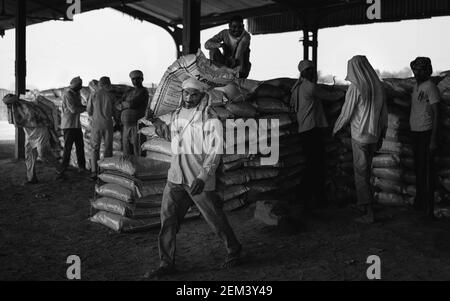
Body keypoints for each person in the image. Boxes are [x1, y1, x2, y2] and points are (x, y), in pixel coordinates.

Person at [144, 78, 241, 278]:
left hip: (197, 180)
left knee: (215, 218)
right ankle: (166, 263)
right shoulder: (177, 114)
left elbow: (216, 151)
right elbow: (172, 136)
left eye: (193, 94)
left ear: (202, 95)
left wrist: (203, 177)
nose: (189, 97)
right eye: (186, 93)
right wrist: (154, 121)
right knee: (168, 219)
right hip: (176, 178)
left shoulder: (210, 117)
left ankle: (235, 249)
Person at [333, 55, 388, 224]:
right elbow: (384, 114)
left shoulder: (356, 87)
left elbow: (347, 112)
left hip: (360, 136)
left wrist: (336, 128)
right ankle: (365, 205)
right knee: (368, 172)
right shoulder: (379, 86)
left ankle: (368, 213)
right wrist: (382, 134)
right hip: (374, 135)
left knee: (361, 175)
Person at [290, 60, 346, 209]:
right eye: (309, 70)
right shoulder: (310, 87)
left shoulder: (297, 88)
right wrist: (344, 92)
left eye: (312, 70)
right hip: (312, 130)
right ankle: (307, 196)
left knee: (312, 163)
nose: (312, 73)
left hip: (304, 130)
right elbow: (330, 97)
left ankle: (309, 196)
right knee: (316, 165)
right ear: (303, 73)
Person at [2, 94, 59, 184]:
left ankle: (60, 169)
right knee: (29, 154)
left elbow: (42, 117)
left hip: (40, 131)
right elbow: (19, 122)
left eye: (9, 104)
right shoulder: (14, 110)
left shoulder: (28, 106)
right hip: (29, 133)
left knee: (43, 153)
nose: (8, 107)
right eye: (7, 105)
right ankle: (31, 178)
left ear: (14, 102)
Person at [409, 57, 440, 219]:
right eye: (415, 69)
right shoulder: (415, 86)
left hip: (426, 133)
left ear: (428, 71)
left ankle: (429, 208)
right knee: (418, 170)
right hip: (415, 133)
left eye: (420, 70)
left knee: (427, 172)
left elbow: (437, 114)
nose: (416, 72)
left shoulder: (430, 88)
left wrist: (433, 140)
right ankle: (420, 203)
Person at [87, 76, 118, 179]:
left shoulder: (93, 94)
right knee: (108, 148)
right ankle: (106, 170)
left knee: (94, 148)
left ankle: (94, 171)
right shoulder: (111, 95)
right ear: (107, 84)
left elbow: (89, 110)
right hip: (108, 124)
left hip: (96, 124)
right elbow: (115, 111)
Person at [59, 76, 87, 174]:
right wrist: (86, 108)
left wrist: (84, 107)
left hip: (76, 125)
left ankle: (82, 167)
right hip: (68, 126)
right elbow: (74, 109)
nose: (81, 87)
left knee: (80, 146)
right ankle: (63, 169)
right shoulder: (68, 94)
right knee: (68, 148)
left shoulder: (76, 93)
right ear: (75, 85)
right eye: (80, 85)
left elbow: (79, 106)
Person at [121, 70, 149, 156]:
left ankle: (140, 169)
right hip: (126, 127)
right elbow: (117, 104)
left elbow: (133, 104)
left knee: (138, 151)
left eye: (138, 79)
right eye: (133, 79)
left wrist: (124, 104)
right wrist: (126, 104)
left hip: (137, 126)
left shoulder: (143, 91)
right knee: (127, 151)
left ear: (142, 79)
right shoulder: (129, 92)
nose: (135, 81)